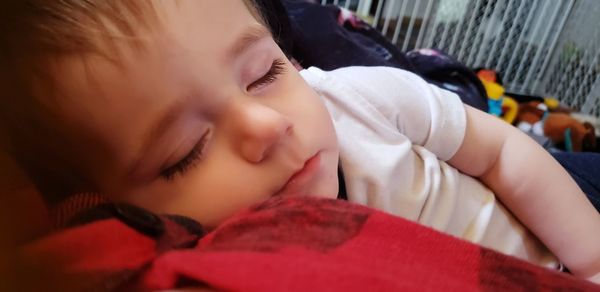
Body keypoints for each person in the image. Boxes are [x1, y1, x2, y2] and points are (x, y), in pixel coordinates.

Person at [0, 0, 598, 285]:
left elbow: (502, 152)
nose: (266, 126)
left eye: (265, 74)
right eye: (185, 151)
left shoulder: (359, 98)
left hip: (555, 221)